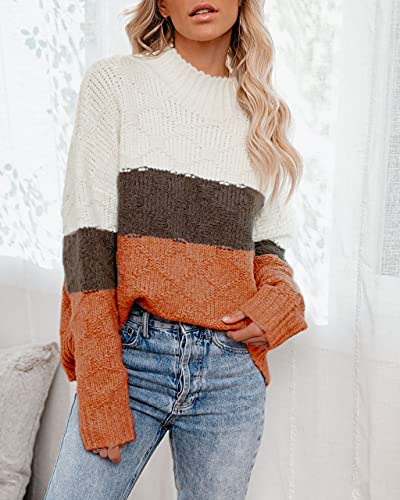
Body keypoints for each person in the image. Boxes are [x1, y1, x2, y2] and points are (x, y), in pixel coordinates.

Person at [45, 0, 308, 498]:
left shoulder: (263, 114)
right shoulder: (116, 84)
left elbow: (267, 243)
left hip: (230, 371)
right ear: (163, 4)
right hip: (132, 357)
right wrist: (100, 382)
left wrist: (280, 299)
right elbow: (87, 241)